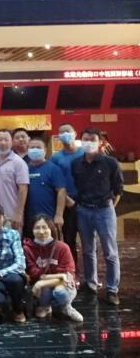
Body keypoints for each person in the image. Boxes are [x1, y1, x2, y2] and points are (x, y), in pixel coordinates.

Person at [72, 127, 123, 306]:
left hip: (104, 210)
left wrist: (109, 208)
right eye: (85, 139)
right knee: (87, 250)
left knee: (110, 252)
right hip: (84, 210)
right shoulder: (76, 164)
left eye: (92, 139)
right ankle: (91, 283)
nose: (88, 142)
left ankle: (112, 289)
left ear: (100, 142)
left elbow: (118, 189)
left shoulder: (110, 163)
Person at [23, 215, 83, 322]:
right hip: (45, 287)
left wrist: (41, 282)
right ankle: (44, 306)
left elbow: (68, 275)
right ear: (32, 230)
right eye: (37, 228)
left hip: (62, 285)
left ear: (51, 229)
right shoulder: (27, 249)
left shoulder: (63, 247)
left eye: (44, 227)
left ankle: (66, 307)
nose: (41, 231)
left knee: (60, 292)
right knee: (45, 290)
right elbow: (34, 273)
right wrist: (60, 275)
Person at [50, 123, 84, 266]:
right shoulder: (56, 158)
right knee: (69, 239)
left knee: (88, 240)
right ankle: (72, 270)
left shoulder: (84, 153)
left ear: (75, 133)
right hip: (67, 202)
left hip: (86, 201)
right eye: (62, 132)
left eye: (68, 131)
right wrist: (66, 199)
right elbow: (54, 182)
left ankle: (90, 274)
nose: (65, 134)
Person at [25, 137, 66, 236]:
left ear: (45, 150)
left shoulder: (53, 169)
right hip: (28, 217)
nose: (35, 149)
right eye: (32, 147)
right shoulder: (24, 168)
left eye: (38, 147)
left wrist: (59, 215)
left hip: (49, 216)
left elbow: (61, 191)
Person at [0, 129, 29, 231]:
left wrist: (18, 214)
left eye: (6, 140)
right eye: (0, 139)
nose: (3, 143)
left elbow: (23, 189)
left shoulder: (19, 162)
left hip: (11, 216)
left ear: (12, 142)